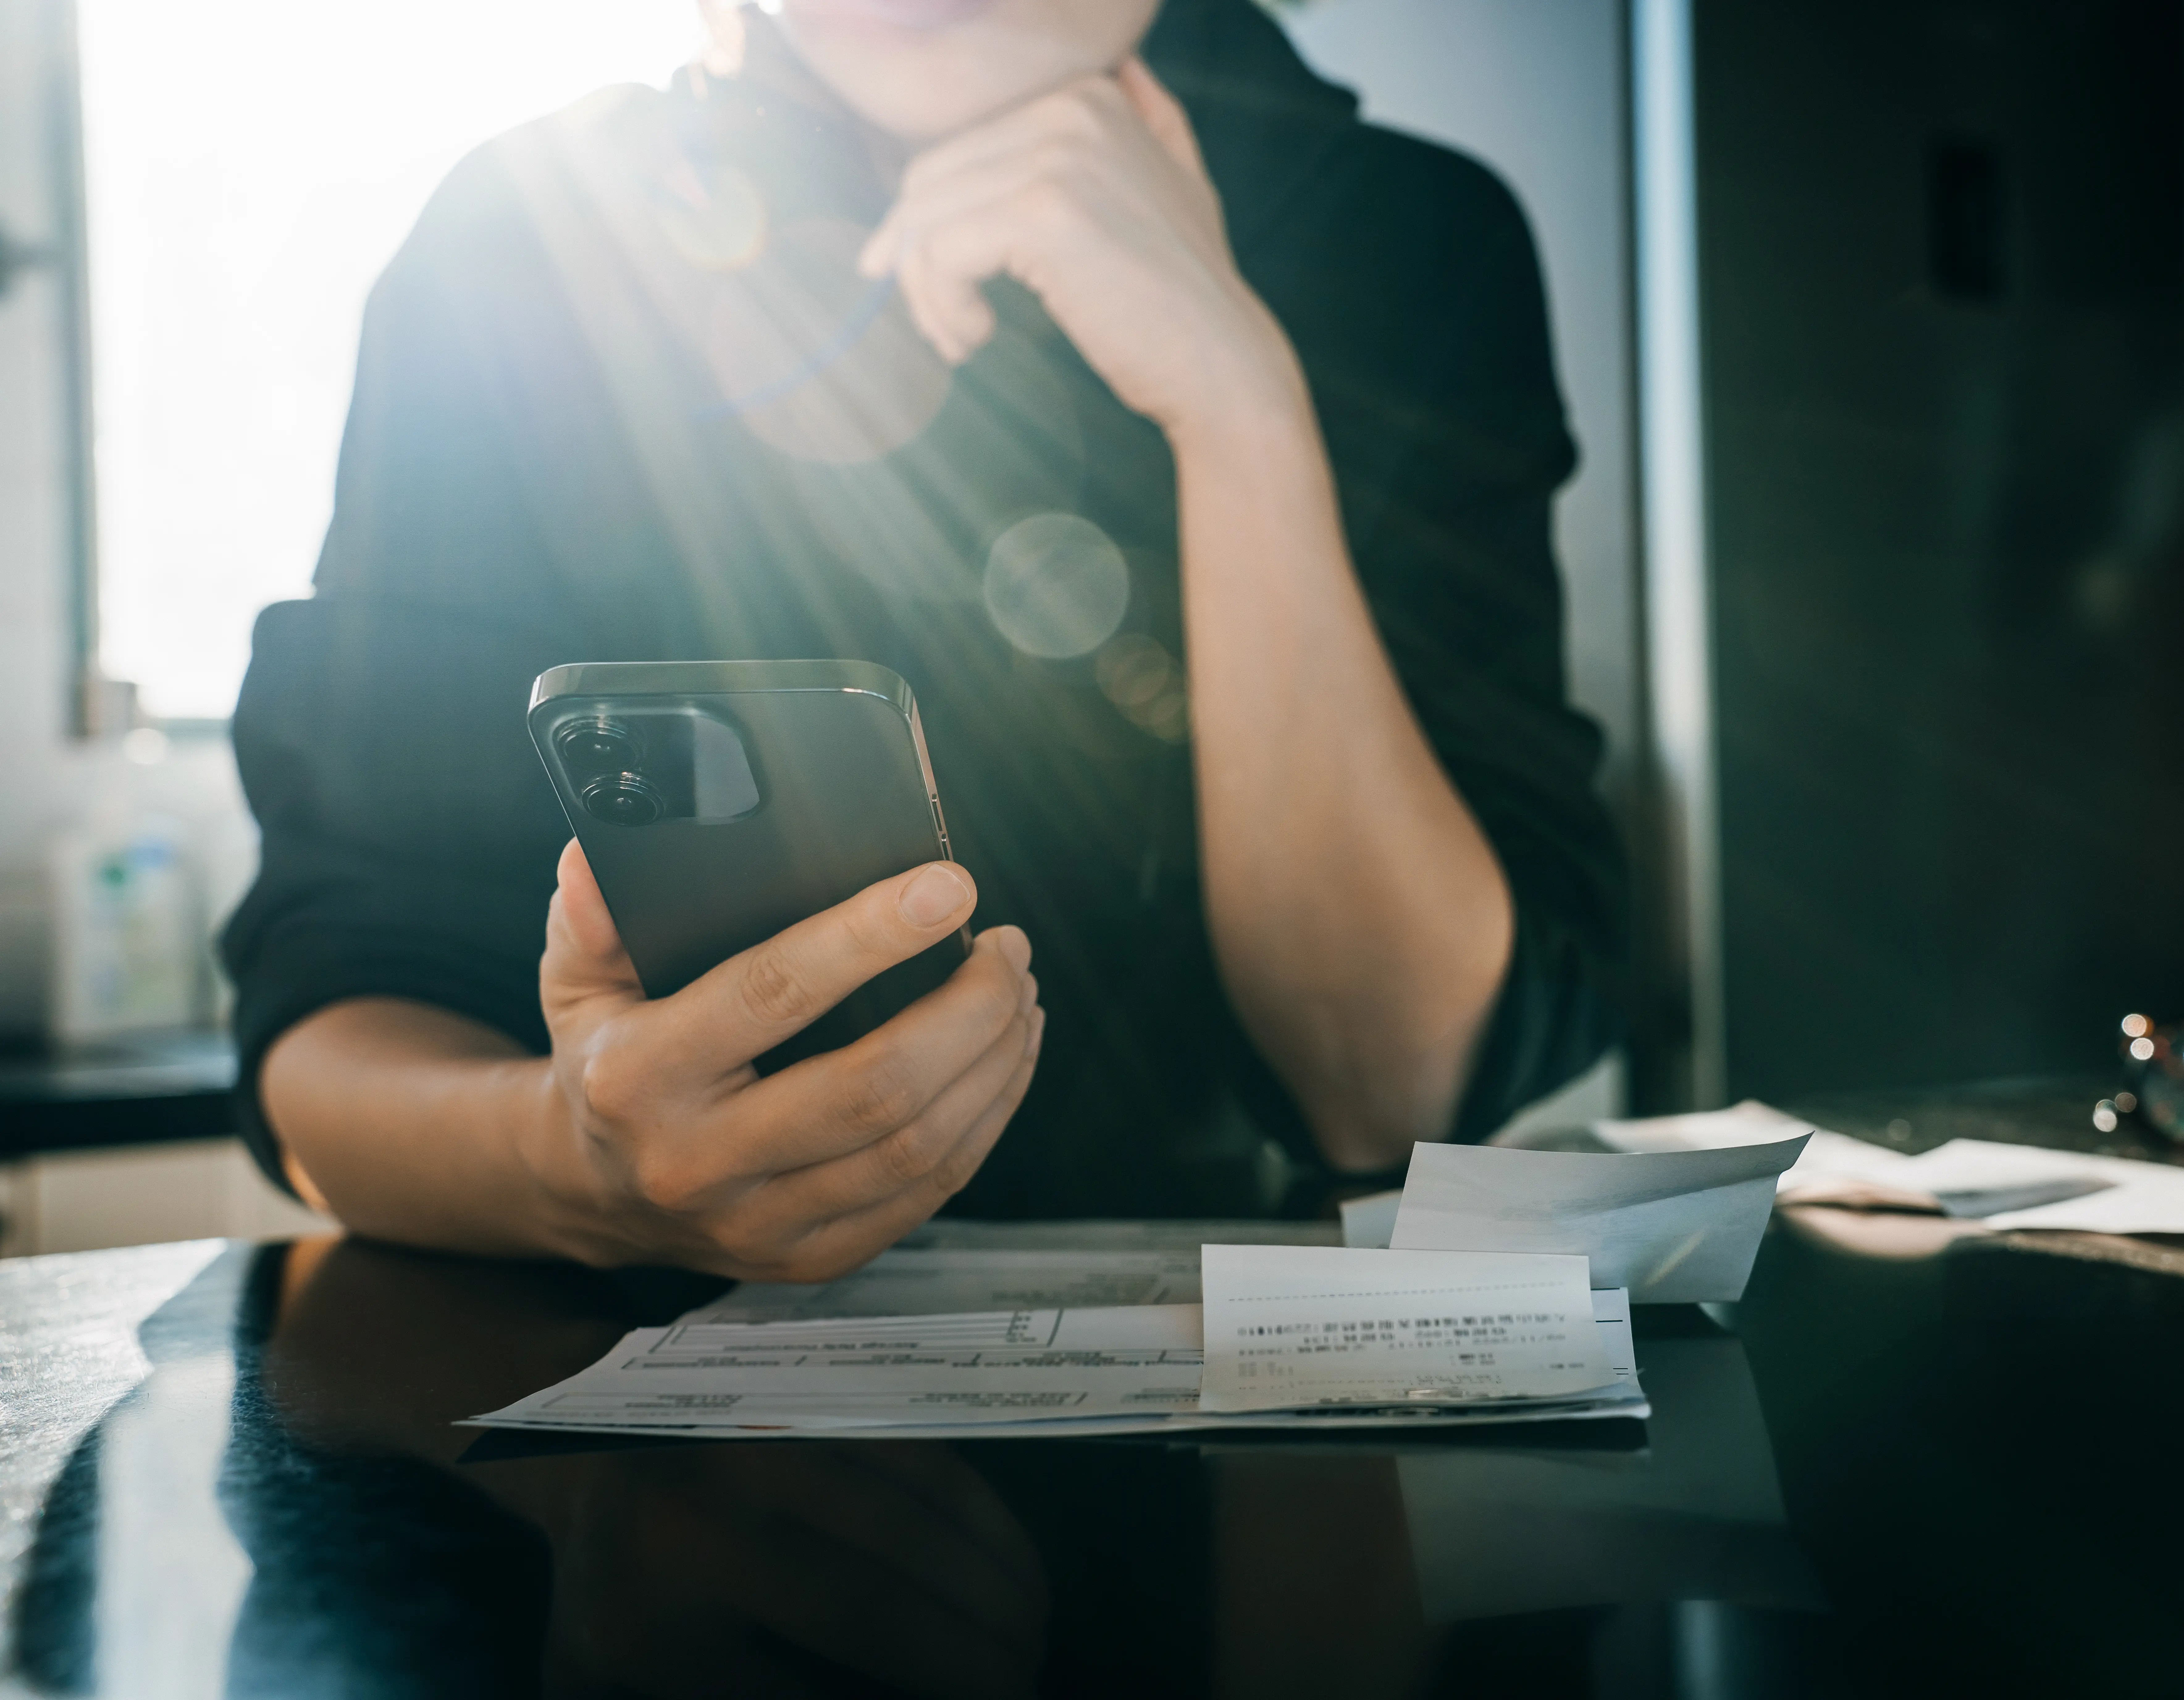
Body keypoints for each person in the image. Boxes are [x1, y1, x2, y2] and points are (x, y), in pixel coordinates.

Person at [223, 0, 1626, 1279]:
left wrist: (1237, 399)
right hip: (631, 1434)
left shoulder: (1416, 238)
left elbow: (1397, 1092)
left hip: (1251, 1457)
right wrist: (576, 1159)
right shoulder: (523, 234)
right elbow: (326, 1034)